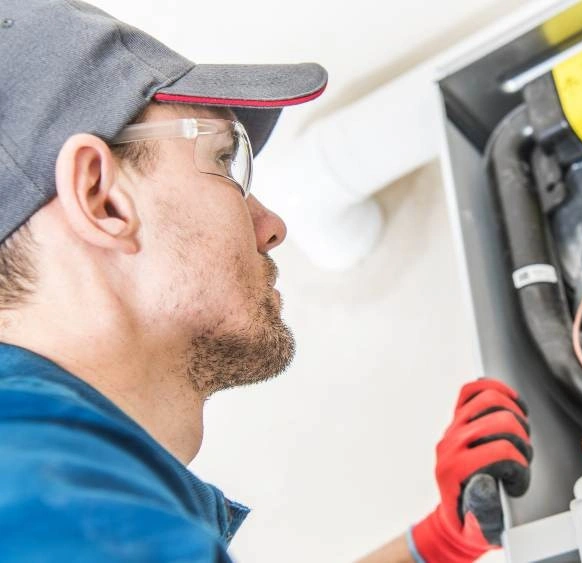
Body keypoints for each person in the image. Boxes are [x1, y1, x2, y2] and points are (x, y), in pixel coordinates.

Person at [0, 1, 533, 562]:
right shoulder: (61, 510)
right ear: (101, 198)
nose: (272, 226)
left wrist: (437, 543)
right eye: (223, 159)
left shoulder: (51, 500)